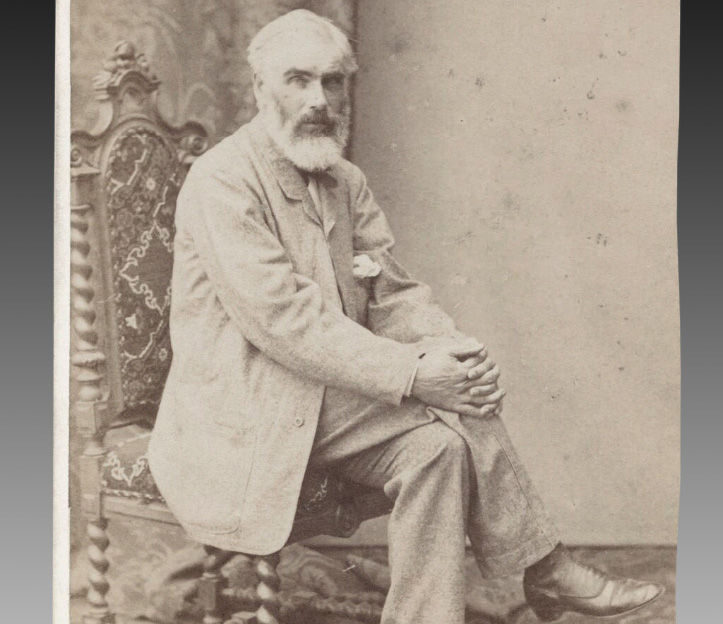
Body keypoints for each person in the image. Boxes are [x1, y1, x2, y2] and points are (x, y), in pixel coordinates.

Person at [148, 9, 664, 623]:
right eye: (299, 80)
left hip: (322, 399)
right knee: (446, 407)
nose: (319, 100)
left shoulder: (343, 180)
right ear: (261, 87)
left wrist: (454, 354)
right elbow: (284, 321)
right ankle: (547, 568)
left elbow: (392, 293)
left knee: (435, 450)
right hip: (241, 408)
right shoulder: (223, 182)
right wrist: (420, 375)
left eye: (332, 81)